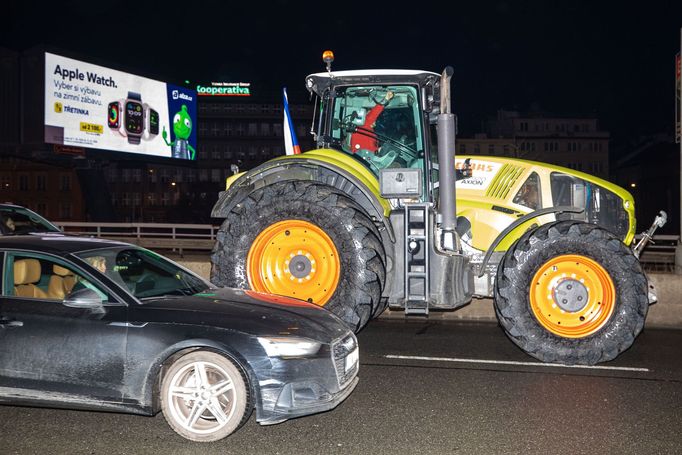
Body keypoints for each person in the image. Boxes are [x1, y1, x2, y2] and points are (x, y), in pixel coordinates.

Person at [350, 90, 395, 154]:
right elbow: (373, 114)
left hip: (367, 158)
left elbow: (371, 149)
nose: (375, 119)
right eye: (367, 115)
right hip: (360, 159)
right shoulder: (363, 126)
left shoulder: (368, 131)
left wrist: (379, 150)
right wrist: (386, 99)